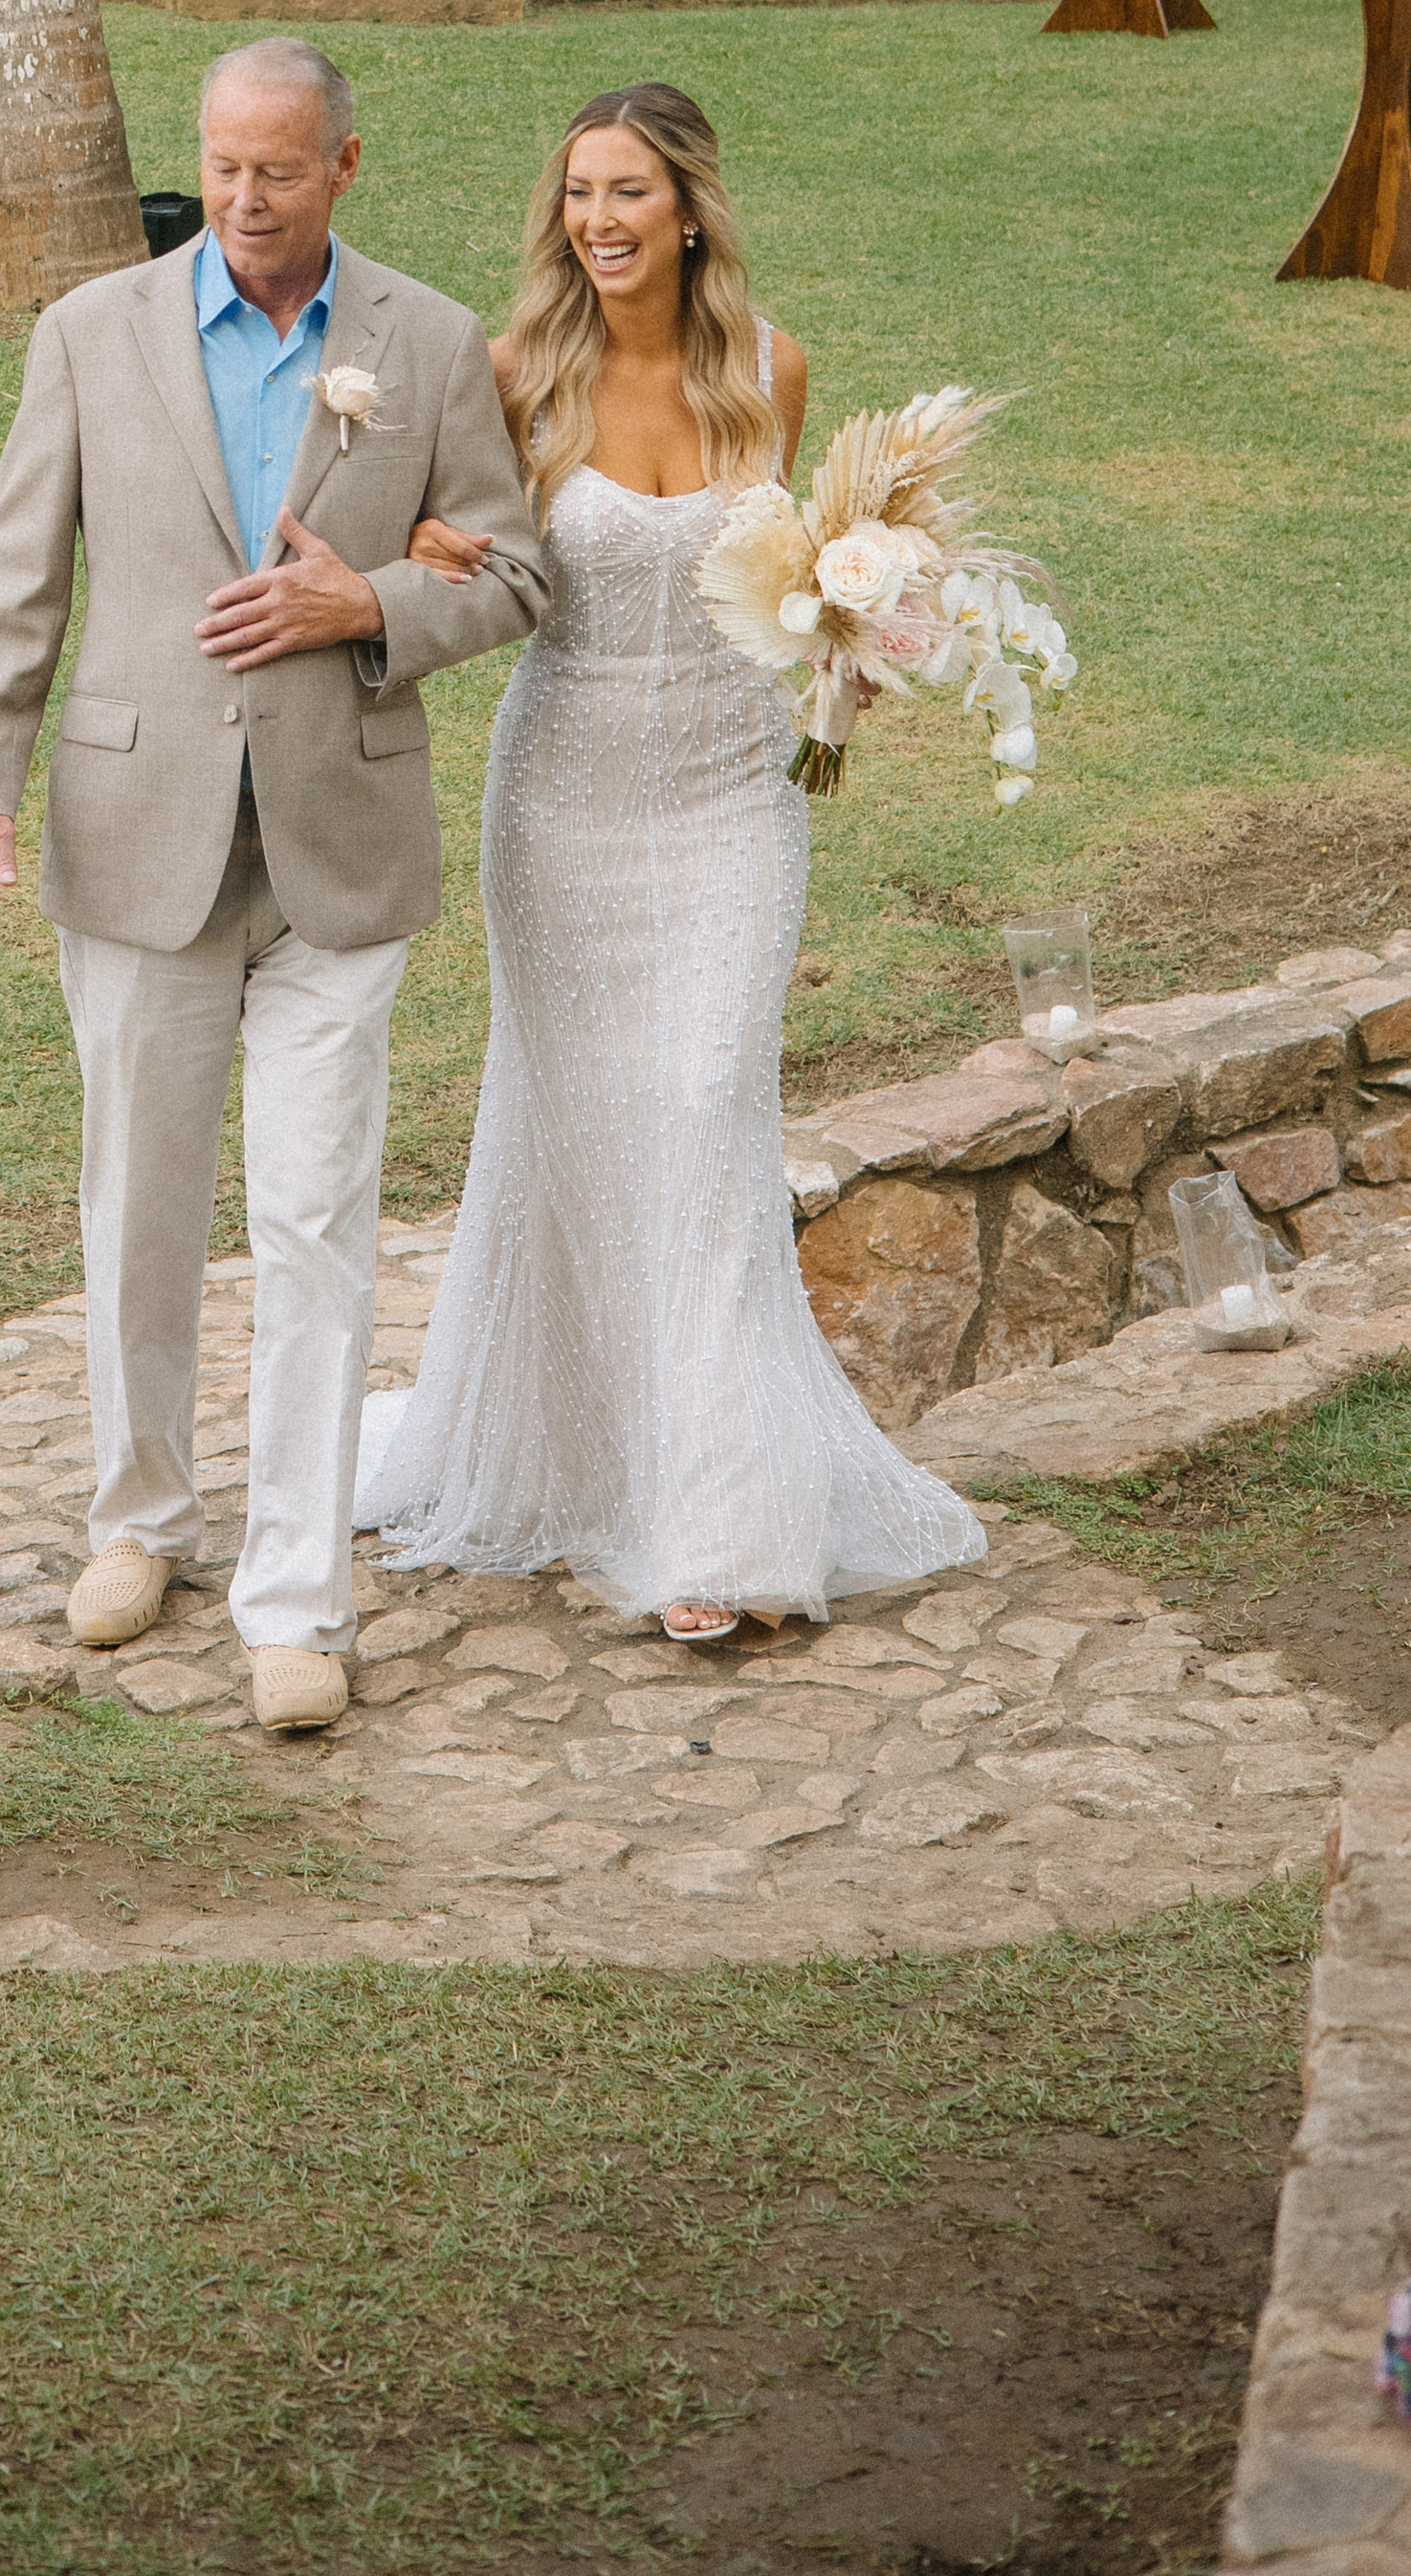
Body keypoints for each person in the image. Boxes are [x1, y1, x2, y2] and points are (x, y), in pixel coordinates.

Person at [0, 37, 545, 1734]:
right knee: (138, 1206)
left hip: (341, 853)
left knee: (314, 1220)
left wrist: (374, 613)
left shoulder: (426, 345)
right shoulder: (92, 335)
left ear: (346, 165)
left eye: (280, 170)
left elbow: (511, 566)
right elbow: (11, 583)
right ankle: (140, 1520)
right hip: (140, 846)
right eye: (223, 167)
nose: (247, 200)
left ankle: (295, 1598)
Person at [354, 84, 987, 1638]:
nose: (600, 221)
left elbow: (812, 585)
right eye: (579, 194)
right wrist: (430, 551)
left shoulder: (772, 372)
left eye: (629, 191)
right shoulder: (515, 378)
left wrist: (858, 638)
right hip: (561, 801)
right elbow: (444, 552)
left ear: (689, 206)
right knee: (580, 1136)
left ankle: (718, 1526)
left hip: (728, 801)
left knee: (707, 1115)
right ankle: (586, 1458)